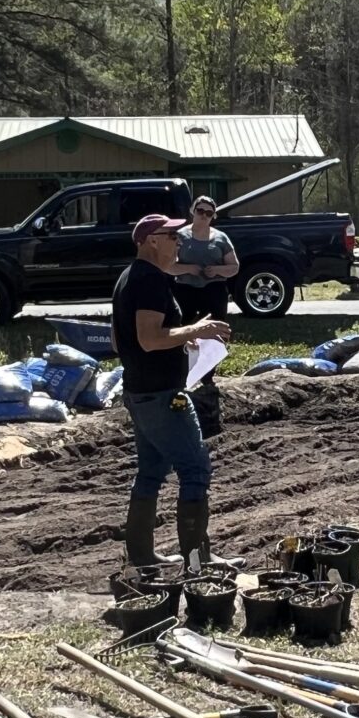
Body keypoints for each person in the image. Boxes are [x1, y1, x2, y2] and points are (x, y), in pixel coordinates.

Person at [111, 213, 232, 570]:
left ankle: (142, 555)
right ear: (151, 240)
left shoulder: (128, 278)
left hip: (140, 391)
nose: (180, 242)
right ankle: (198, 559)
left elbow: (122, 341)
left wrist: (181, 344)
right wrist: (196, 330)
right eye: (173, 236)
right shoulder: (149, 280)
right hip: (162, 396)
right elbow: (149, 339)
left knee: (150, 471)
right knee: (195, 469)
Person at [173, 196, 238, 323]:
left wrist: (217, 270)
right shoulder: (179, 236)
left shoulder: (221, 238)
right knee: (183, 326)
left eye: (209, 213)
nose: (204, 215)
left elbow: (234, 267)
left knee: (215, 327)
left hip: (214, 289)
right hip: (185, 289)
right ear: (193, 211)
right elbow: (168, 266)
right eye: (200, 211)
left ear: (213, 216)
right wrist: (188, 269)